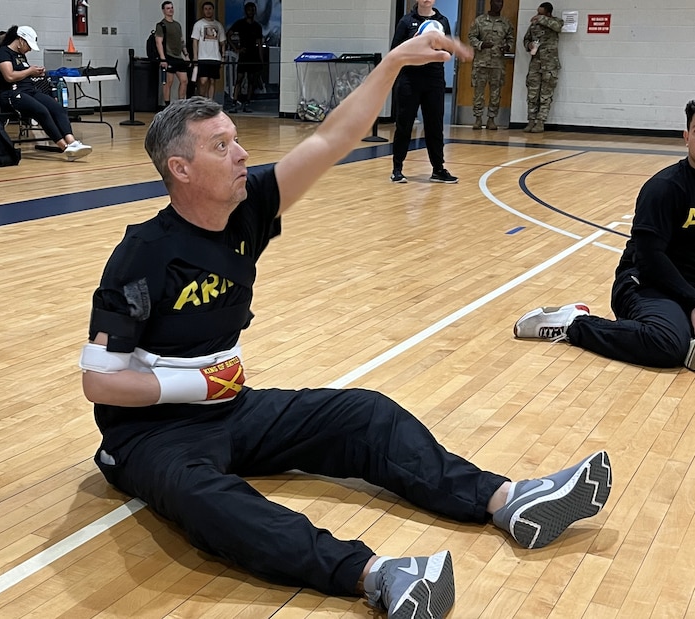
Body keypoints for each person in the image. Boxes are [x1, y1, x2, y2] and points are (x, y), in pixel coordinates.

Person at [79, 31, 613, 619]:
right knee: (208, 500)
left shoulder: (250, 206)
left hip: (229, 407)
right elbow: (101, 382)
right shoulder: (141, 257)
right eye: (222, 146)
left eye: (236, 140)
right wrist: (197, 385)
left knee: (365, 413)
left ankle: (507, 499)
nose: (242, 154)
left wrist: (392, 65)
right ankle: (377, 576)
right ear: (180, 168)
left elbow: (334, 137)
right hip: (151, 435)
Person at [515, 100, 695, 372]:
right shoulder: (665, 188)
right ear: (686, 137)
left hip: (688, 288)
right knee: (667, 343)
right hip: (647, 285)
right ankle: (573, 324)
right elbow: (649, 260)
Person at [0, 25, 92, 161]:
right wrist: (30, 71)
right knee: (41, 111)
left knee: (57, 108)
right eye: (28, 45)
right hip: (12, 94)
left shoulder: (21, 55)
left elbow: (23, 73)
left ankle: (72, 141)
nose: (29, 49)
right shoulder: (3, 53)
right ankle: (65, 148)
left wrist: (37, 72)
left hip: (29, 90)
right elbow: (9, 76)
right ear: (21, 40)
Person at [390, 0, 457, 185]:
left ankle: (438, 169)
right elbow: (395, 50)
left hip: (434, 79)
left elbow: (449, 47)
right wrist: (416, 40)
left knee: (434, 125)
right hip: (410, 79)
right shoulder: (406, 21)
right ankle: (397, 169)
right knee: (404, 124)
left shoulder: (442, 21)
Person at [467, 0, 514, 131]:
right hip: (481, 63)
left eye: (501, 3)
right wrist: (481, 45)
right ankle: (477, 118)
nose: (499, 5)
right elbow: (471, 37)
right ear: (491, 3)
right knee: (478, 92)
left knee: (495, 92)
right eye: (496, 2)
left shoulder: (505, 23)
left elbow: (511, 39)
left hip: (497, 63)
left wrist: (508, 46)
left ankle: (491, 119)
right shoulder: (480, 21)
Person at [522, 2, 563, 133]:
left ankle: (540, 122)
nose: (537, 16)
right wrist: (529, 45)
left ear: (548, 14)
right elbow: (526, 39)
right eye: (537, 13)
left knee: (546, 95)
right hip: (535, 64)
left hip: (550, 65)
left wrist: (541, 19)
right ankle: (531, 121)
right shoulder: (533, 25)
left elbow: (558, 27)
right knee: (532, 94)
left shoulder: (555, 22)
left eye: (541, 13)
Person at [225, 2, 263, 113]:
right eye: (249, 10)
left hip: (254, 55)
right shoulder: (240, 23)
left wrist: (261, 60)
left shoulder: (257, 26)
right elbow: (228, 35)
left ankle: (247, 103)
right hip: (244, 54)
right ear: (245, 11)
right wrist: (236, 48)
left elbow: (260, 43)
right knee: (239, 79)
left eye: (253, 10)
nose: (251, 12)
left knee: (251, 80)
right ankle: (234, 102)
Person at [155, 1, 190, 105]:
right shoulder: (161, 25)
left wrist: (186, 55)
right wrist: (163, 59)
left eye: (171, 8)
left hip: (178, 57)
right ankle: (167, 105)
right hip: (168, 56)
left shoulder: (177, 25)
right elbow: (158, 42)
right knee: (168, 82)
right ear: (163, 10)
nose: (170, 10)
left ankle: (181, 105)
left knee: (184, 81)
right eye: (168, 8)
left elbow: (181, 41)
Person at [191, 1, 226, 101]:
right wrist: (195, 56)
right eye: (206, 9)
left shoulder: (218, 25)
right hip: (202, 57)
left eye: (210, 9)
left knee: (212, 81)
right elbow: (195, 41)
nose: (208, 11)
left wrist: (223, 56)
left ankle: (210, 101)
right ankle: (202, 100)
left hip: (215, 57)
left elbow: (223, 42)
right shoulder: (198, 24)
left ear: (213, 10)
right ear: (203, 11)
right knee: (203, 81)